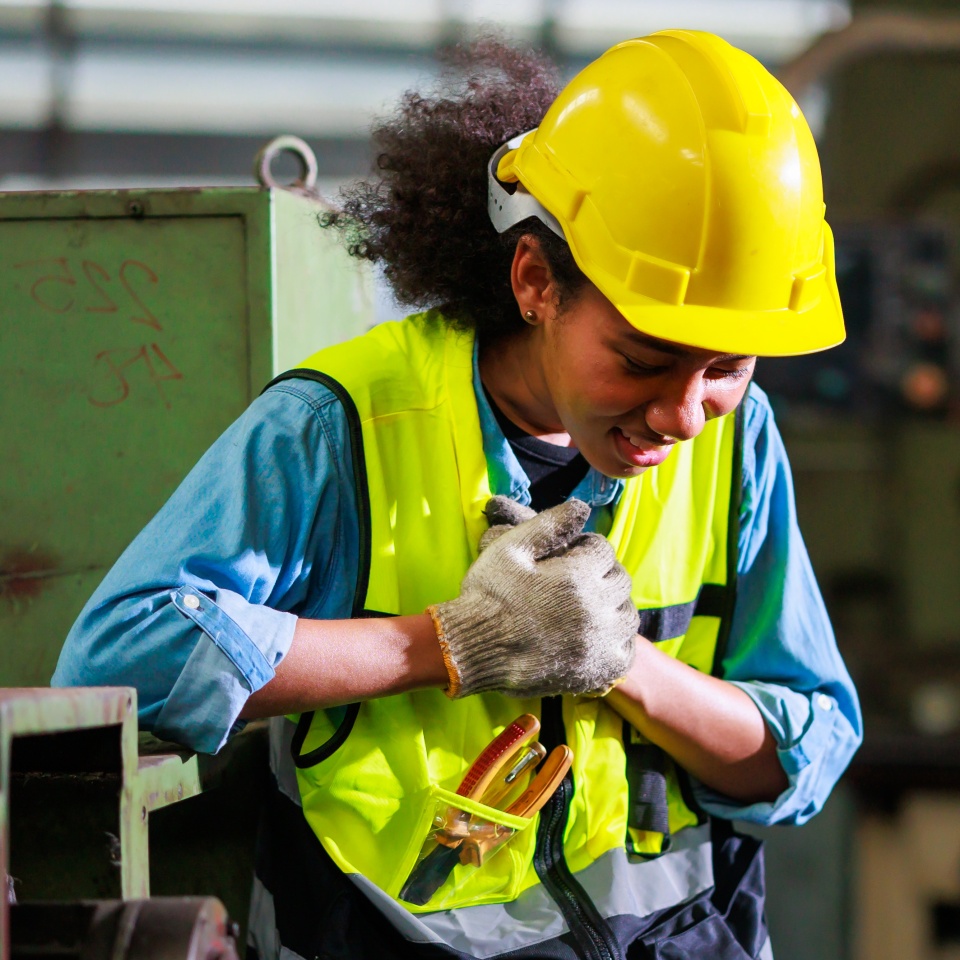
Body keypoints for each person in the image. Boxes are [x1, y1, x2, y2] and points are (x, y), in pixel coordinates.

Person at [53, 30, 862, 960]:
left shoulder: (739, 445)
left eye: (726, 366)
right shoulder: (340, 427)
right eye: (641, 360)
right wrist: (445, 643)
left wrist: (621, 664)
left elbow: (803, 754)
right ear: (535, 282)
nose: (685, 413)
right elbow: (122, 658)